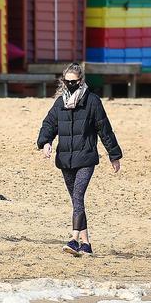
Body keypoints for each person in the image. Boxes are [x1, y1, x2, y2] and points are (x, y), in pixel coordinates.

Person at [36, 62, 122, 256]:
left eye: (73, 81)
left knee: (78, 197)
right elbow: (49, 124)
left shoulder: (92, 101)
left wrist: (114, 155)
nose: (70, 84)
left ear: (81, 81)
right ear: (63, 81)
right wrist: (46, 142)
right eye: (67, 81)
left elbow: (104, 129)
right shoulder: (60, 103)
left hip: (86, 158)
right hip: (65, 159)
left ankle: (74, 240)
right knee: (77, 203)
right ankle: (87, 244)